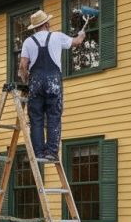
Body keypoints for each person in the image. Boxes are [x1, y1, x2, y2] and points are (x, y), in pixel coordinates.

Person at [17, 9, 86, 161]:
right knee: (54, 115)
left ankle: (39, 153)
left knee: (36, 118)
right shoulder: (56, 36)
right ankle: (52, 152)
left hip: (35, 82)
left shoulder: (28, 42)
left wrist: (26, 79)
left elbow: (23, 65)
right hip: (53, 81)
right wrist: (81, 35)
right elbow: (76, 42)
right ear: (47, 24)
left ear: (34, 27)